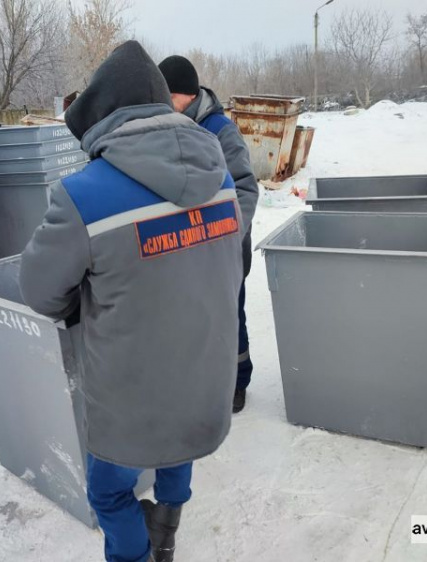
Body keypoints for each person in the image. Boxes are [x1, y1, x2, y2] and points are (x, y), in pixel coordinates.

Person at [19, 41, 243, 562]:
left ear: (103, 121)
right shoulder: (224, 179)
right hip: (205, 382)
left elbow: (40, 291)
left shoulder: (84, 194)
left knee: (109, 492)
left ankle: (135, 554)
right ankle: (165, 531)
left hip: (131, 399)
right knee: (177, 449)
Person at [158, 56, 259, 414]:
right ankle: (201, 378)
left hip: (225, 246)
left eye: (166, 95)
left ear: (185, 94)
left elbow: (245, 188)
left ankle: (237, 380)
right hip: (186, 247)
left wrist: (226, 236)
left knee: (230, 316)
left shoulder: (219, 129)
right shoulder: (167, 127)